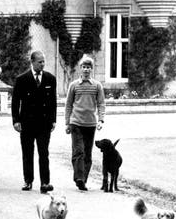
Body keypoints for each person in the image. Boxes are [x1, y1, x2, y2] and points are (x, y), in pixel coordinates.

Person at [11, 51, 57, 193]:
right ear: (32, 62)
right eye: (39, 62)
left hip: (44, 123)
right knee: (27, 152)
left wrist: (53, 120)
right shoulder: (22, 79)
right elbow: (15, 101)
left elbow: (53, 102)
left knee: (44, 153)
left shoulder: (50, 78)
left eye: (43, 61)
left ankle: (45, 182)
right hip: (27, 123)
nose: (42, 64)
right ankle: (28, 181)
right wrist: (16, 120)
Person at [64, 54, 106, 191]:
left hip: (90, 124)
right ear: (80, 69)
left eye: (88, 67)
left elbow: (101, 104)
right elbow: (68, 105)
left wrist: (100, 120)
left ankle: (83, 180)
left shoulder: (97, 86)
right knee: (78, 151)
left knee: (87, 153)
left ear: (91, 69)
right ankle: (79, 178)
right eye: (84, 67)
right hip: (76, 123)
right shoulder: (74, 85)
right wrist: (67, 123)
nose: (86, 70)